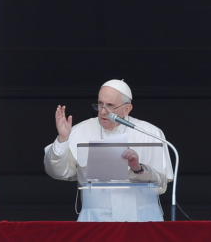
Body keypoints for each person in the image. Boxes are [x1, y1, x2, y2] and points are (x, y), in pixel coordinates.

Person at [44, 79, 173, 221]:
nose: (103, 111)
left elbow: (161, 185)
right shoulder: (79, 130)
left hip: (142, 218)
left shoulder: (150, 132)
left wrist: (138, 168)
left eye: (110, 106)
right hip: (95, 219)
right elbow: (57, 172)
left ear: (127, 109)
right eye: (100, 104)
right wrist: (62, 139)